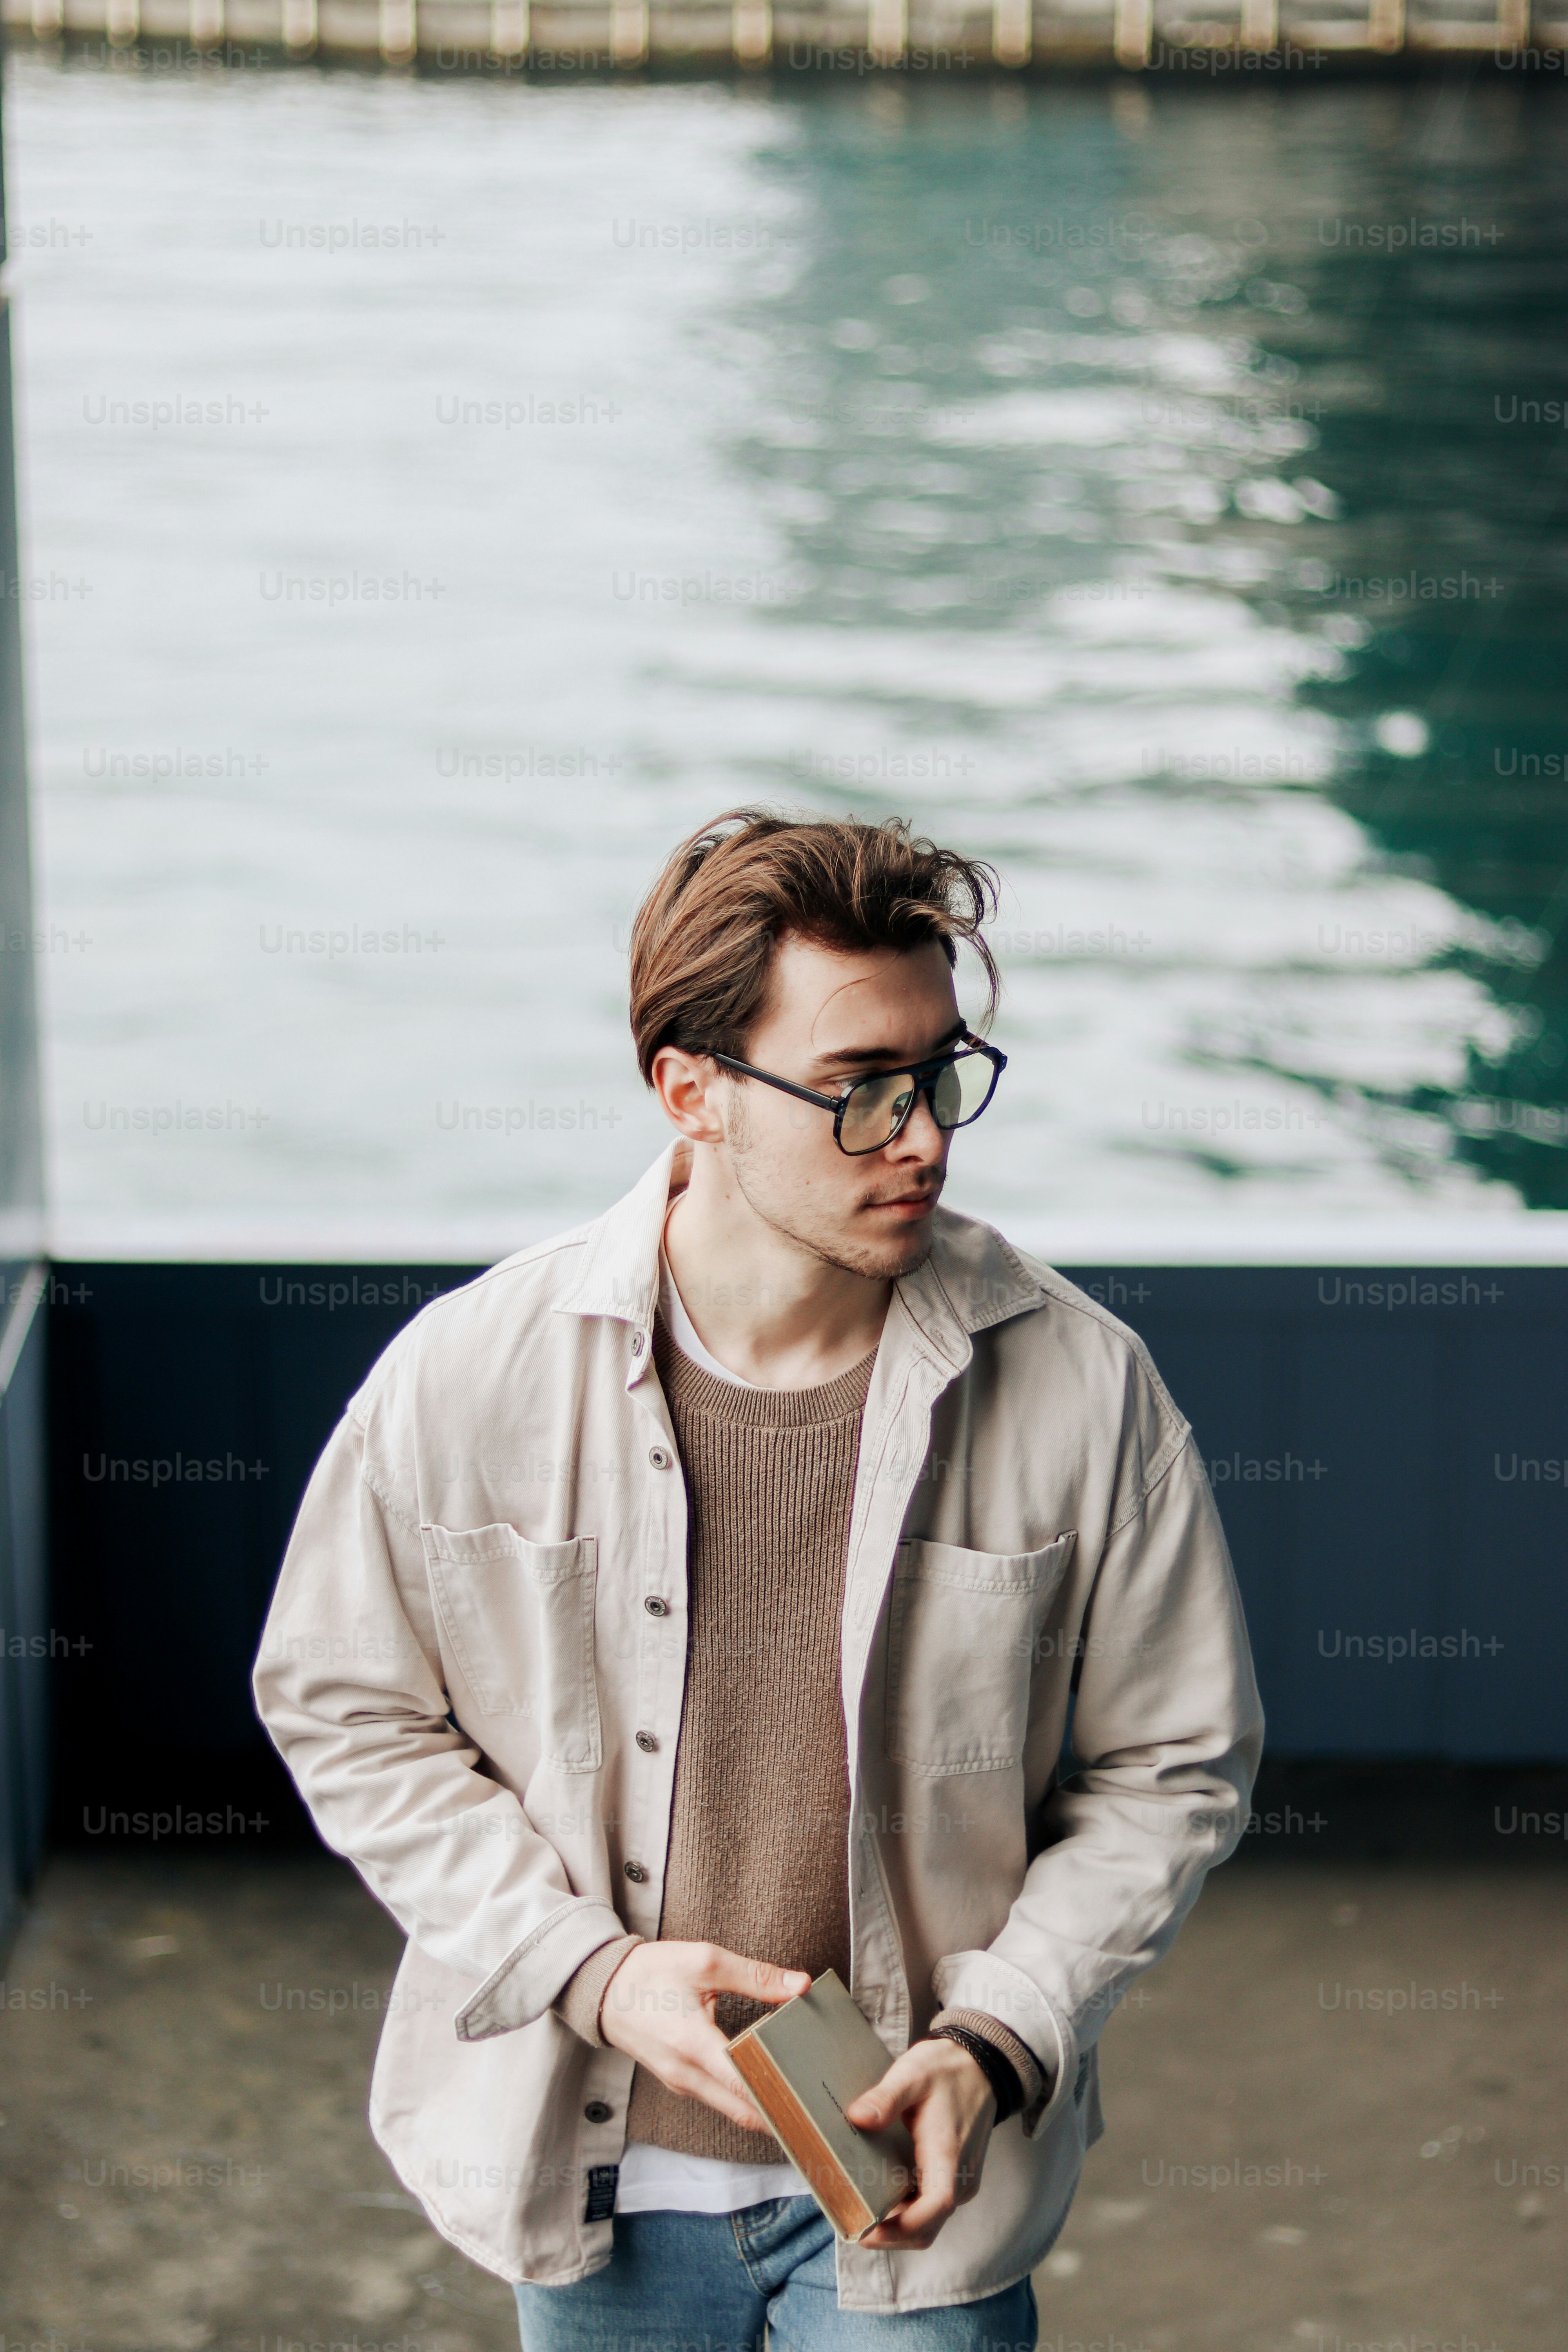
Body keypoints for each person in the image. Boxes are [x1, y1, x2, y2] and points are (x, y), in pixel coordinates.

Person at [254, 807, 1263, 2352]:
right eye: (861, 1089)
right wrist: (589, 1972)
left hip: (919, 2201)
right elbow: (346, 1709)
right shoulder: (465, 1377)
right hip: (590, 2180)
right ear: (692, 1093)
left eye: (941, 1074)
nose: (923, 1137)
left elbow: (1172, 1765)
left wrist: (998, 2039)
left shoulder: (1084, 1385)